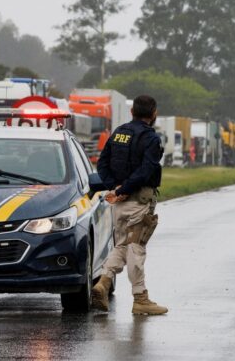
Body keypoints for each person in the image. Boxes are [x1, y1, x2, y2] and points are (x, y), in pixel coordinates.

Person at [92, 95, 168, 315]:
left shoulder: (119, 133)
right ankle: (140, 298)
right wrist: (123, 189)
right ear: (153, 113)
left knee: (121, 246)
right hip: (138, 202)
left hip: (118, 204)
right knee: (136, 248)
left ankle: (103, 283)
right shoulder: (151, 139)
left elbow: (102, 162)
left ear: (132, 111)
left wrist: (114, 188)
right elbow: (146, 171)